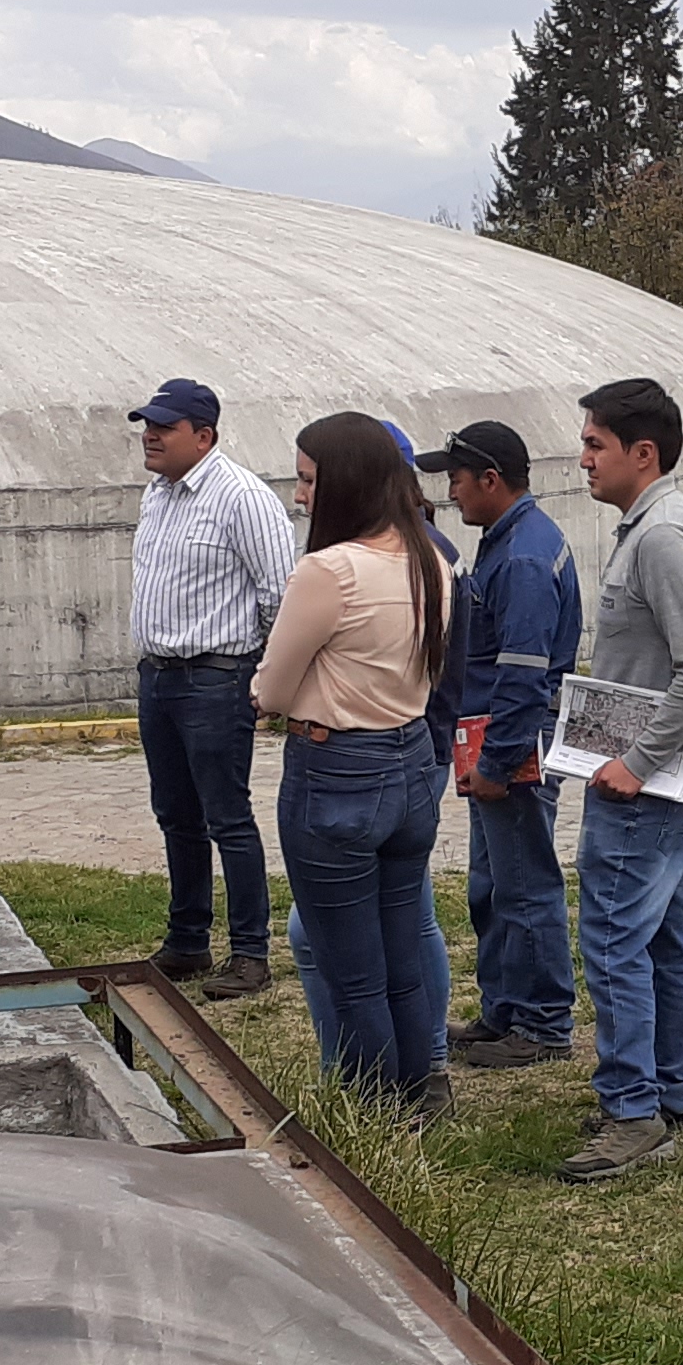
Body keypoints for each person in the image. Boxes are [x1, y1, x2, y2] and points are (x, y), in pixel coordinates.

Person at [256, 412, 453, 1108]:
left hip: (335, 770)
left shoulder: (328, 570)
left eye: (308, 480)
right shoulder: (431, 559)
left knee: (350, 968)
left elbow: (273, 688)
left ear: (342, 483)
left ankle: (368, 1109)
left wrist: (273, 691)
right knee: (403, 953)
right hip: (408, 763)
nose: (301, 495)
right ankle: (418, 1087)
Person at [563, 376, 683, 1182]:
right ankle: (670, 1085)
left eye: (595, 445)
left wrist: (633, 762)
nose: (583, 458)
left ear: (642, 453)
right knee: (661, 932)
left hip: (648, 783)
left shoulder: (661, 535)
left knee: (615, 938)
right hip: (654, 776)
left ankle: (632, 1111)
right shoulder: (653, 526)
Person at [418, 419, 583, 1067]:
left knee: (524, 883)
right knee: (493, 883)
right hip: (496, 739)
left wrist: (497, 761)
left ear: (491, 479)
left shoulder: (520, 556)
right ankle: (503, 1011)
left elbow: (521, 672)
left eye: (457, 480)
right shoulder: (507, 539)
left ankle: (542, 1024)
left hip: (513, 742)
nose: (451, 492)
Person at [126, 375, 295, 999]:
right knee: (175, 813)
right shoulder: (158, 494)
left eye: (163, 427)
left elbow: (281, 593)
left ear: (204, 437)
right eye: (147, 424)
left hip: (216, 678)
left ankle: (250, 951)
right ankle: (188, 939)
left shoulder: (241, 497)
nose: (150, 435)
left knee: (227, 815)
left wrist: (269, 681)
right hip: (160, 676)